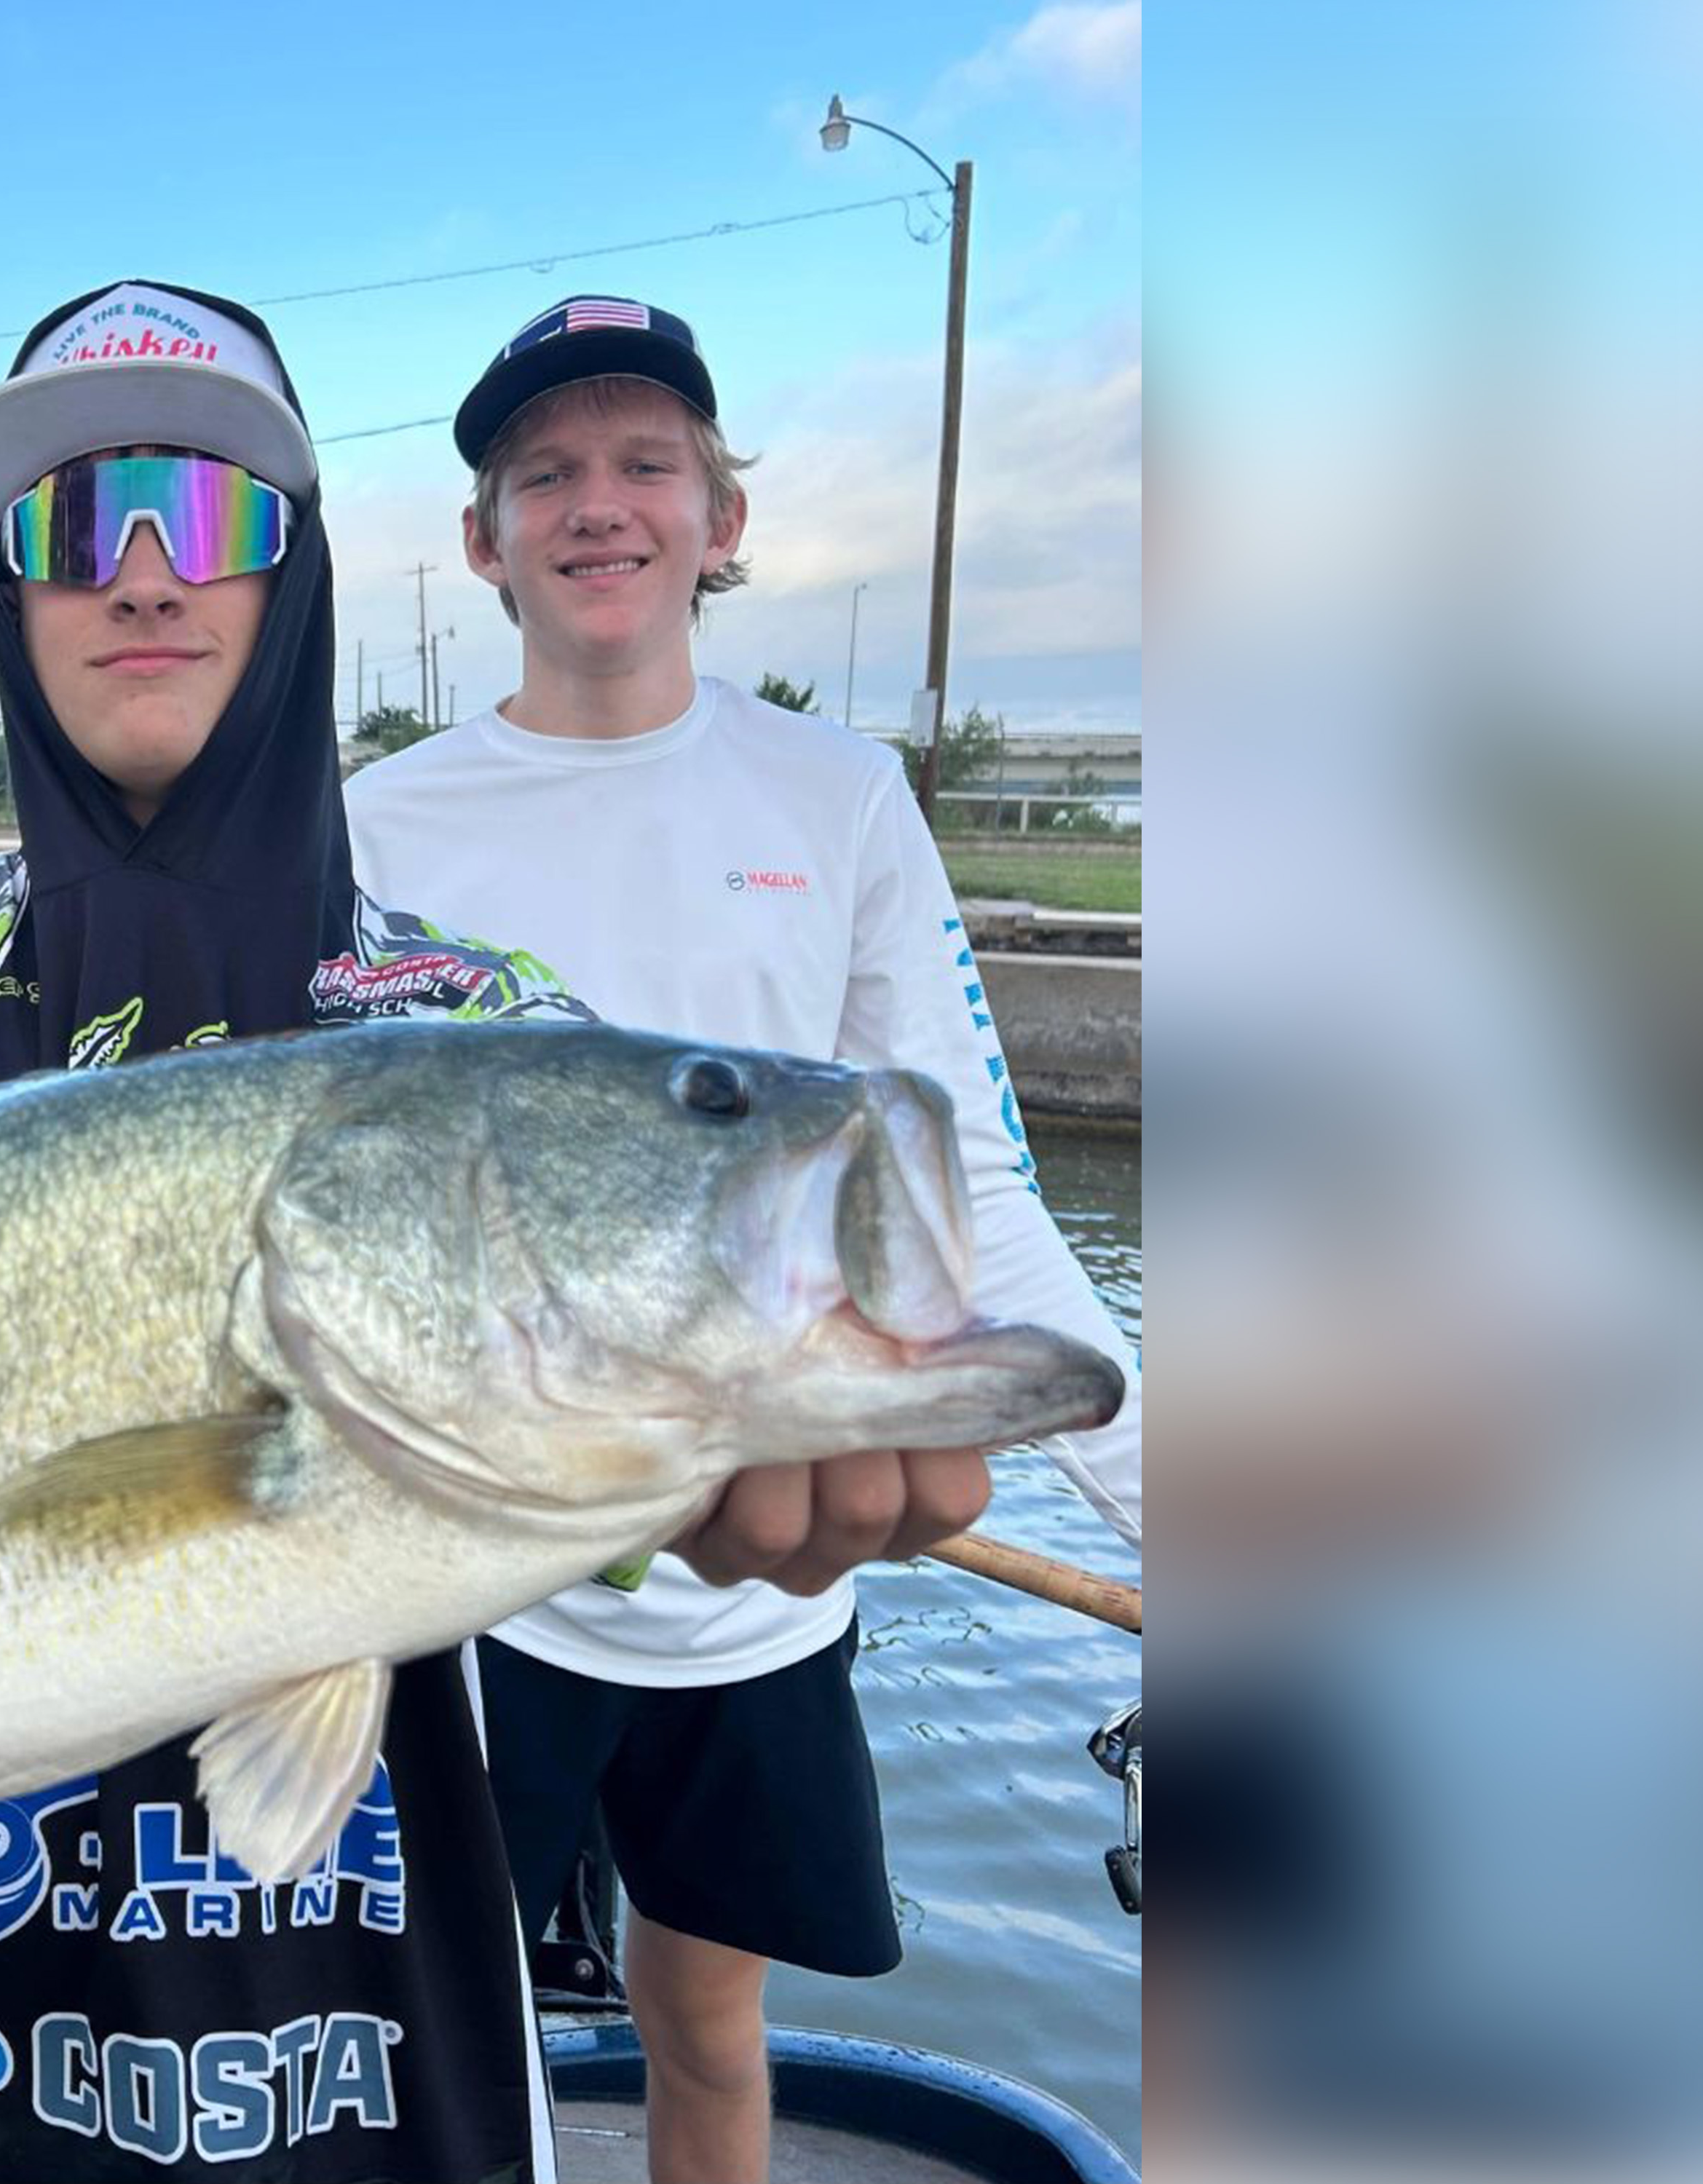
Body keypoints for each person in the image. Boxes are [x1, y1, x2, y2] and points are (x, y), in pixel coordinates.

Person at [0, 278, 1002, 2183]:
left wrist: (731, 1474)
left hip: (385, 2074)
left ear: (297, 571)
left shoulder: (479, 1017)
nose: (147, 573)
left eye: (213, 508)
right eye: (75, 522)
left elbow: (592, 1498)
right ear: (7, 589)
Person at [342, 295, 1147, 2184]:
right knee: (407, 2048)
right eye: (545, 472)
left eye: (648, 464)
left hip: (768, 1588)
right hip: (471, 1584)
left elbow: (968, 1183)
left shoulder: (840, 795)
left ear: (723, 518)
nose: (597, 503)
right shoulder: (373, 820)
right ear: (483, 542)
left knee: (709, 2029)